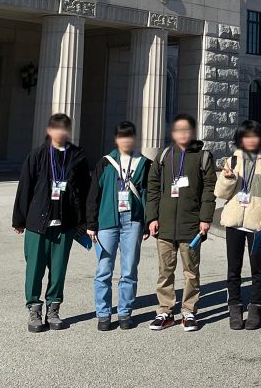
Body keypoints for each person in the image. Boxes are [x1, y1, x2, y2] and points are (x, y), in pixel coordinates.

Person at [12, 113, 90, 333]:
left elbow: (84, 191)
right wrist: (19, 219)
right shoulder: (37, 155)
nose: (60, 132)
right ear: (49, 131)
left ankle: (54, 309)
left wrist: (84, 222)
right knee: (34, 268)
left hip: (65, 223)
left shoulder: (77, 156)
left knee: (58, 269)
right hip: (38, 222)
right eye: (56, 128)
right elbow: (25, 187)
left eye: (64, 128)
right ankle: (34, 309)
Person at [145, 113, 217, 332]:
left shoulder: (203, 157)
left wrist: (205, 218)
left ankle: (188, 310)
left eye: (187, 130)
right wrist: (152, 217)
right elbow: (153, 188)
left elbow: (209, 190)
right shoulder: (164, 155)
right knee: (165, 271)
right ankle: (165, 311)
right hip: (165, 224)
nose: (182, 134)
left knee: (191, 271)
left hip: (191, 226)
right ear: (173, 133)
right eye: (178, 130)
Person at [216, 119, 261, 330]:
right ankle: (234, 306)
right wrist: (227, 179)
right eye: (247, 136)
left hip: (257, 223)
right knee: (233, 268)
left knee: (257, 269)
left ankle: (255, 307)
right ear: (240, 138)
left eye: (254, 136)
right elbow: (221, 193)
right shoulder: (232, 160)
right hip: (234, 221)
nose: (251, 140)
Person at [85, 121, 150, 331]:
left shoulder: (144, 163)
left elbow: (149, 194)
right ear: (116, 139)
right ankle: (103, 314)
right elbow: (93, 194)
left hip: (133, 221)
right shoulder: (105, 163)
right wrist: (91, 223)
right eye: (122, 136)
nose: (126, 140)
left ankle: (124, 312)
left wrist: (148, 222)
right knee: (104, 269)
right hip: (106, 222)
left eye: (129, 136)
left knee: (129, 268)